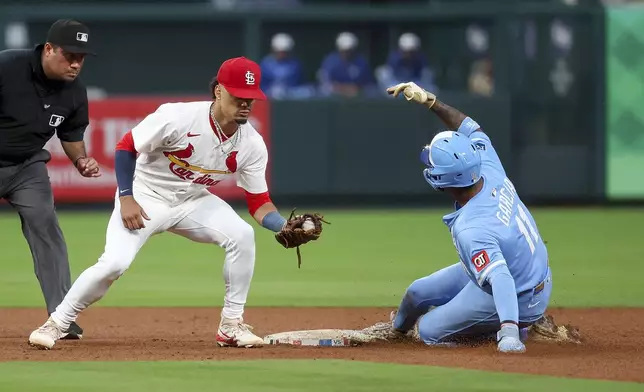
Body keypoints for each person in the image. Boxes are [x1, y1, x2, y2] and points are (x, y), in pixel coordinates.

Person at [28, 56, 295, 350]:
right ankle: (56, 323)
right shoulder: (179, 117)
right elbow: (126, 147)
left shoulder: (252, 144)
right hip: (145, 195)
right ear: (218, 91)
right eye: (238, 96)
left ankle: (231, 326)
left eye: (251, 98)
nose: (245, 104)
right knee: (114, 263)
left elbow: (259, 203)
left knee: (242, 235)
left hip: (192, 200)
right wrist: (126, 197)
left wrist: (283, 226)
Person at [383, 82, 552, 353]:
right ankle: (395, 332)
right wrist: (431, 102)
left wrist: (509, 332)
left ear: (443, 179)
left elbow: (501, 278)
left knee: (428, 331)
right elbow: (470, 126)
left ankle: (515, 327)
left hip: (521, 294)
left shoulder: (471, 227)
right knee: (417, 292)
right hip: (522, 268)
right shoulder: (486, 166)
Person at [0, 19, 100, 339]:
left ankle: (61, 316)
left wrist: (80, 159)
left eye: (81, 57)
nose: (75, 63)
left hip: (26, 167)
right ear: (48, 49)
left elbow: (70, 132)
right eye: (69, 55)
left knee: (46, 226)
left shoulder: (74, 91)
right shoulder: (7, 67)